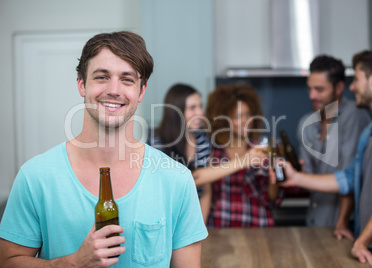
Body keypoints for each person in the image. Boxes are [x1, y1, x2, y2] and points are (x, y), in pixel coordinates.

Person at [0, 31, 207, 267]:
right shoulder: (35, 177)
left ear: (141, 92)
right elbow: (8, 262)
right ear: (81, 84)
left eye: (127, 79)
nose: (114, 90)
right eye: (102, 77)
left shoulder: (176, 180)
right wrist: (73, 263)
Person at [281, 48, 372, 268]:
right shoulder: (371, 130)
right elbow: (348, 178)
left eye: (356, 79)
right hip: (371, 247)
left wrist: (360, 240)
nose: (352, 86)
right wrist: (296, 177)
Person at [297, 55, 371, 227]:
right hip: (315, 220)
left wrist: (342, 223)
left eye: (319, 89)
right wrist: (298, 173)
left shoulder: (354, 116)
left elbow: (350, 178)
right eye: (310, 88)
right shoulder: (306, 125)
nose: (312, 95)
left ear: (339, 87)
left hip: (346, 225)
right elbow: (308, 179)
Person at [193, 84, 280, 228]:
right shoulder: (213, 151)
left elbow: (272, 199)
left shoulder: (261, 150)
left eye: (248, 114)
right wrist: (244, 160)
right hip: (221, 228)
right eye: (238, 116)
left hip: (258, 228)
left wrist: (274, 179)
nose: (245, 120)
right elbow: (195, 179)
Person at [147, 83, 212, 222]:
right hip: (164, 220)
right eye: (192, 108)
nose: (200, 112)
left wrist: (201, 226)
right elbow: (179, 183)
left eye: (200, 106)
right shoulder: (155, 141)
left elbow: (206, 189)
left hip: (195, 220)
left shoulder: (203, 140)